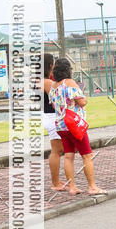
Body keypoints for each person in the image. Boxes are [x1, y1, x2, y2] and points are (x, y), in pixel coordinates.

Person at [49, 58, 107, 196]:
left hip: (61, 126)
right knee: (87, 156)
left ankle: (72, 187)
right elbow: (82, 102)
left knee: (68, 156)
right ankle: (92, 187)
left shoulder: (53, 87)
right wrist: (83, 97)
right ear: (68, 70)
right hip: (74, 125)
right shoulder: (70, 83)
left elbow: (53, 105)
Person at [42, 53, 65, 191]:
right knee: (56, 150)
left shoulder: (42, 80)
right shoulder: (47, 82)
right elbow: (57, 98)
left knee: (58, 149)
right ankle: (55, 183)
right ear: (50, 65)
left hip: (48, 116)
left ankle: (57, 180)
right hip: (52, 117)